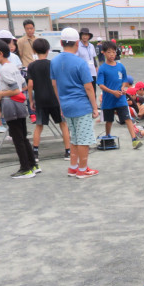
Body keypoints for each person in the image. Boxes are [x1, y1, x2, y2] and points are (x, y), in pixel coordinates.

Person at [50, 27, 100, 179]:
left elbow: (54, 84)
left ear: (61, 42)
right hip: (81, 105)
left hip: (66, 105)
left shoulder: (54, 61)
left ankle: (73, 167)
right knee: (83, 139)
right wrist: (95, 107)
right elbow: (88, 87)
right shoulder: (80, 63)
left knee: (75, 138)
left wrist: (61, 104)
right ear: (77, 43)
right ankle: (83, 169)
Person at [0, 39, 37, 179]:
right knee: (23, 137)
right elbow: (23, 84)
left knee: (17, 138)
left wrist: (1, 93)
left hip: (11, 104)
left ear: (0, 53)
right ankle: (32, 165)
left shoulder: (5, 69)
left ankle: (25, 168)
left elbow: (14, 89)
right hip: (19, 104)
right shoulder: (13, 66)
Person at [27, 38, 71, 161]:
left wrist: (31, 100)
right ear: (48, 50)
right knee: (63, 124)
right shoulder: (53, 64)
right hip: (55, 99)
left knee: (39, 126)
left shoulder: (31, 66)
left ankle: (35, 153)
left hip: (40, 99)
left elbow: (30, 85)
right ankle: (68, 151)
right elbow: (56, 82)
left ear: (34, 50)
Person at [97, 42, 144, 150]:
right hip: (108, 99)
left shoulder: (120, 66)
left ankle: (134, 139)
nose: (112, 54)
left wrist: (123, 87)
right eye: (109, 52)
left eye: (113, 52)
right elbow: (101, 85)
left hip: (121, 98)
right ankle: (108, 137)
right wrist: (113, 92)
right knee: (109, 120)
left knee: (127, 118)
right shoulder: (102, 68)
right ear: (104, 53)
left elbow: (124, 80)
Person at [76, 28, 98, 92]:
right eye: (83, 35)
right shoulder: (77, 46)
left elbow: (93, 57)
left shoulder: (91, 46)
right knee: (85, 91)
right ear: (81, 36)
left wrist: (96, 67)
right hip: (83, 72)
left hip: (92, 72)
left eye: (86, 35)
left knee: (93, 91)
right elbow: (76, 59)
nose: (85, 37)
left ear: (89, 36)